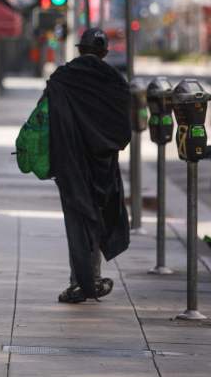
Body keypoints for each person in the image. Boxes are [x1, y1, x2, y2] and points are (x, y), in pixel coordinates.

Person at [45, 28, 131, 303]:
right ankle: (89, 279)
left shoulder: (63, 78)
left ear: (80, 49)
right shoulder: (115, 81)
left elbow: (44, 118)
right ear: (105, 53)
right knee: (98, 218)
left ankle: (82, 282)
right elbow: (123, 131)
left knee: (77, 221)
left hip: (70, 163)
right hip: (103, 165)